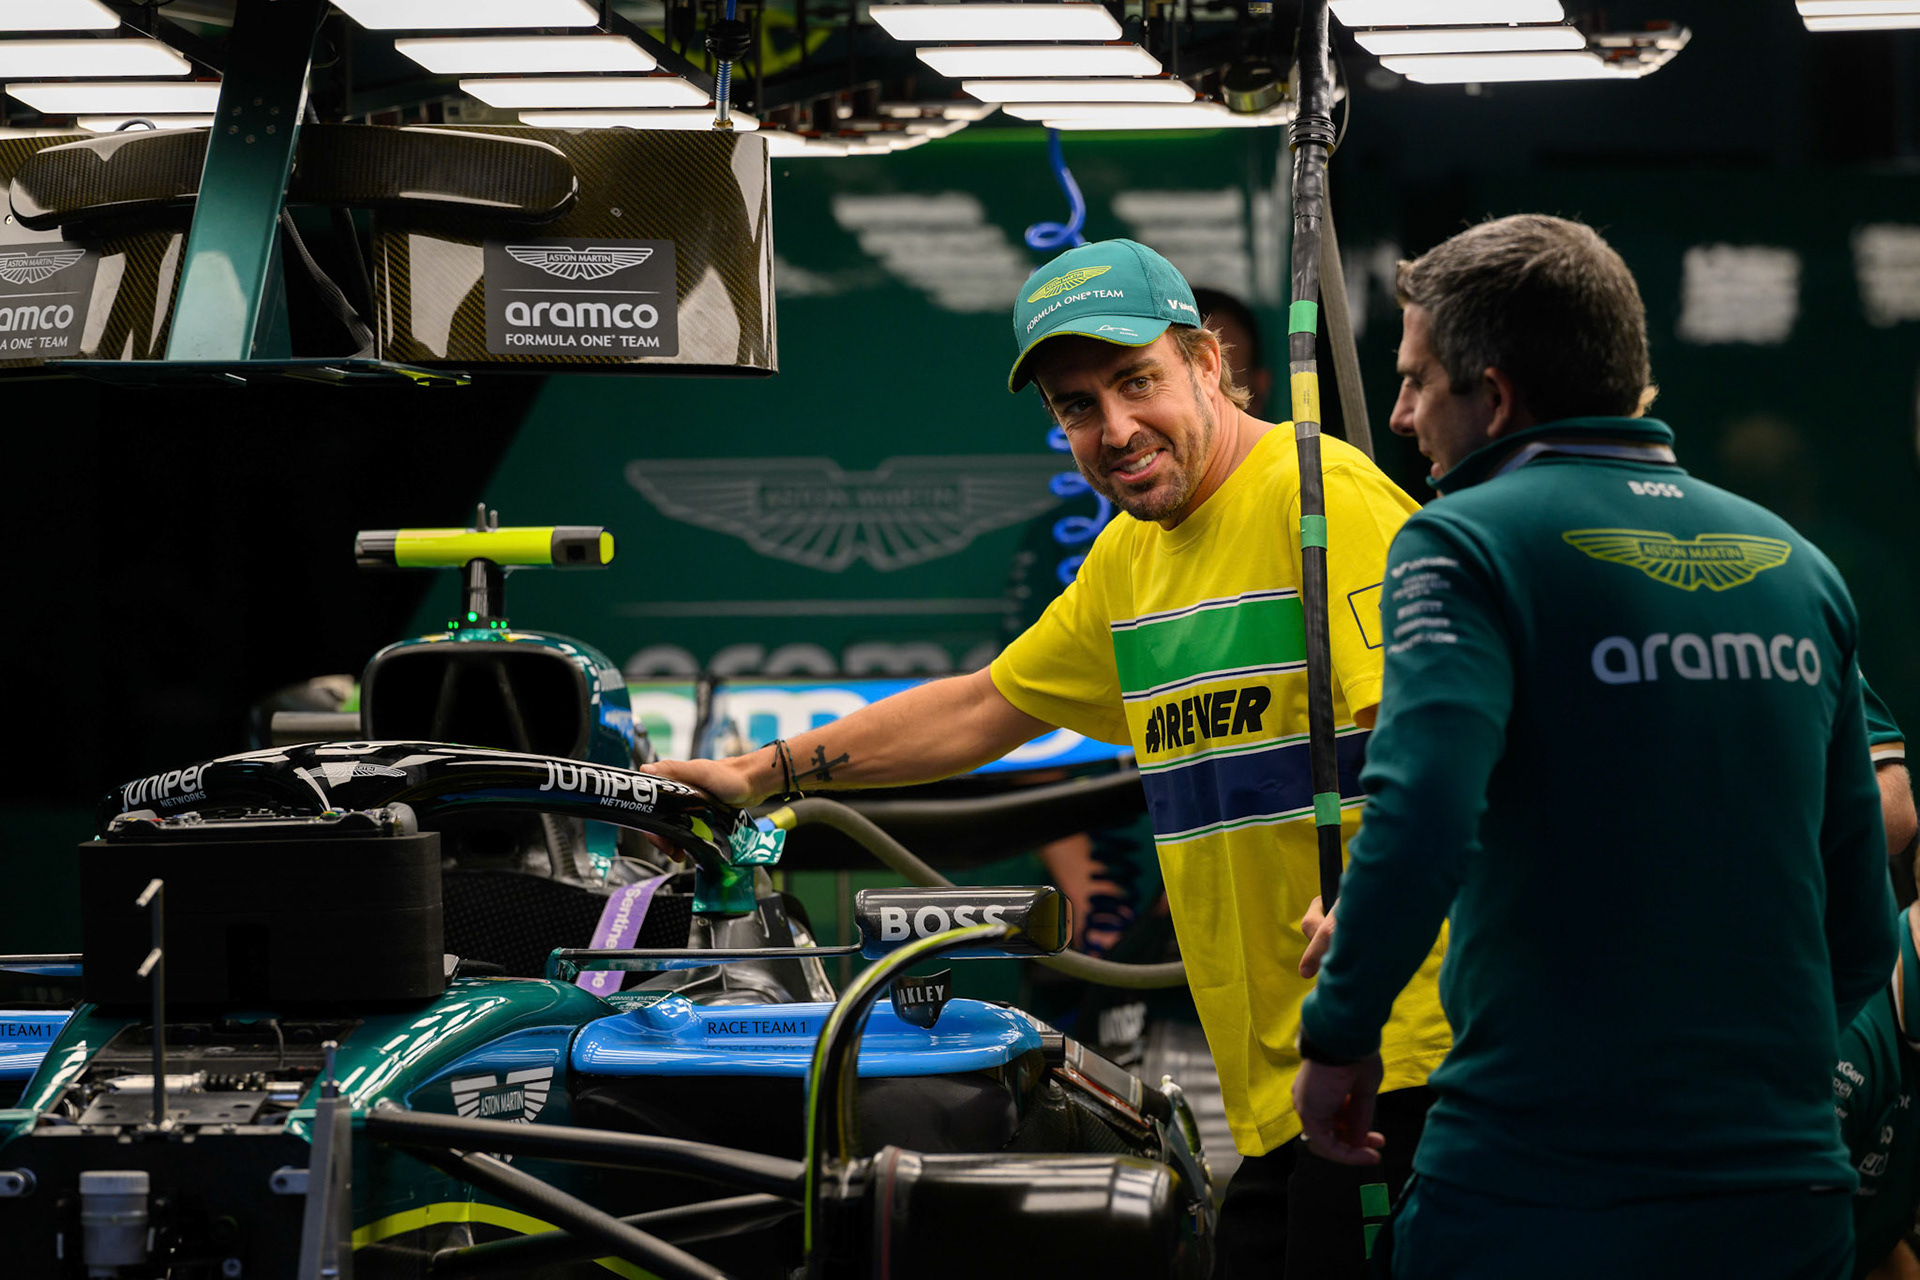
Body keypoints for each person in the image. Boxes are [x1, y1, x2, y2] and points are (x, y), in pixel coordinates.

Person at [648, 238, 1452, 1277]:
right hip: (1283, 1082)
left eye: (1137, 382)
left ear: (1207, 361)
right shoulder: (1131, 555)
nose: (1115, 430)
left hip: (1403, 1059)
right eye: (1078, 406)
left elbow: (1426, 727)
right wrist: (761, 775)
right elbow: (987, 705)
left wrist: (1375, 896)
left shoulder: (1322, 499)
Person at [1290, 213, 1898, 1278]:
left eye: (1418, 380)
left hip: (1537, 1191)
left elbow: (1423, 805)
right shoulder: (1801, 568)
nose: (1399, 414)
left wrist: (1339, 1034)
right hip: (1783, 1194)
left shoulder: (1462, 541)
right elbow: (1859, 928)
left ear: (1496, 392)